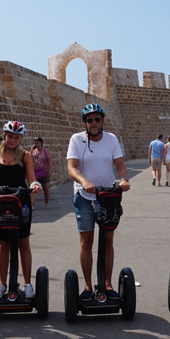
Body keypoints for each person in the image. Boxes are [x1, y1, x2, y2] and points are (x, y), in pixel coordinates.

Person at [67, 104, 131, 300]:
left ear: (102, 121)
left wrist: (124, 180)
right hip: (84, 197)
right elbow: (72, 167)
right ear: (85, 123)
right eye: (89, 120)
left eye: (97, 119)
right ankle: (87, 286)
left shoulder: (111, 139)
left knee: (108, 242)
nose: (93, 123)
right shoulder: (77, 139)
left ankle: (107, 284)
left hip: (107, 196)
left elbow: (119, 165)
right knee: (86, 242)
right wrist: (84, 181)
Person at [0, 121, 42, 299]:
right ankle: (2, 284)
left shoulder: (25, 156)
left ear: (20, 139)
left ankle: (27, 284)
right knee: (4, 244)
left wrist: (35, 186)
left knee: (23, 243)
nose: (12, 140)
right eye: (10, 136)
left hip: (21, 202)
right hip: (2, 202)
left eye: (16, 137)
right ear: (4, 136)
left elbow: (31, 179)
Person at [31, 137, 52, 208]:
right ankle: (32, 204)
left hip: (44, 172)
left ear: (41, 143)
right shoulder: (33, 151)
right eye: (35, 143)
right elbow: (29, 158)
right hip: (35, 172)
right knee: (34, 188)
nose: (36, 144)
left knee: (45, 187)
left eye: (37, 143)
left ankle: (46, 203)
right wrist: (31, 149)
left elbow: (49, 160)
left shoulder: (45, 151)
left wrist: (50, 169)